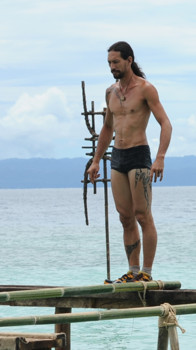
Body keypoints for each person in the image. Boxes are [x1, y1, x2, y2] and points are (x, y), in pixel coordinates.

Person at [87, 41, 172, 283]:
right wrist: (95, 161)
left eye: (116, 62)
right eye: (109, 63)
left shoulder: (146, 89)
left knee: (142, 215)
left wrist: (160, 157)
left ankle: (146, 272)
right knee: (125, 216)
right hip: (118, 156)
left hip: (139, 154)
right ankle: (132, 271)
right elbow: (106, 128)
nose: (112, 67)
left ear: (129, 60)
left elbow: (166, 123)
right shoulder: (110, 92)